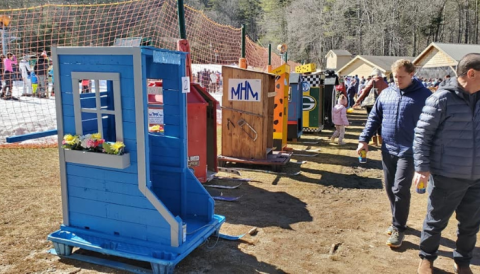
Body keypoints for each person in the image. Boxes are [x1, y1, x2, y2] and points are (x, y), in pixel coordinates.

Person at [414, 53, 480, 274]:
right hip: (446, 176)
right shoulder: (441, 99)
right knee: (435, 222)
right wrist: (422, 168)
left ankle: (462, 261)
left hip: (477, 177)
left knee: (470, 225)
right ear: (471, 73)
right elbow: (422, 136)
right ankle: (427, 259)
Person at [356, 59, 431, 248]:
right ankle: (397, 220)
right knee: (389, 188)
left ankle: (398, 228)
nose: (397, 80)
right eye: (395, 76)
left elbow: (433, 125)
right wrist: (363, 140)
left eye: (402, 77)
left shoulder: (425, 96)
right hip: (388, 149)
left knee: (400, 189)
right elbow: (374, 117)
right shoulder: (386, 93)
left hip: (410, 151)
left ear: (412, 74)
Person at [353, 68, 389, 146]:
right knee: (380, 121)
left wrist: (357, 101)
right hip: (382, 104)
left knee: (372, 121)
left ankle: (374, 140)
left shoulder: (373, 81)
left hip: (372, 104)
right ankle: (381, 140)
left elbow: (365, 91)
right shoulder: (385, 83)